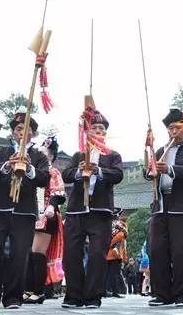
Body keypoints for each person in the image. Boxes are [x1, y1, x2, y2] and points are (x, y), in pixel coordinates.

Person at [0, 113, 50, 309]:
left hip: (24, 211)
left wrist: (29, 169)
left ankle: (13, 297)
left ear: (33, 134)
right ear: (13, 132)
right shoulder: (1, 151)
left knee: (20, 255)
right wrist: (7, 165)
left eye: (27, 130)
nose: (22, 133)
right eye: (19, 129)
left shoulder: (39, 156)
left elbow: (44, 179)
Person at [62, 110, 123, 309]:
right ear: (87, 131)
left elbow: (117, 175)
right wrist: (80, 170)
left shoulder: (112, 155)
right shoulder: (79, 154)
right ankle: (73, 295)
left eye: (102, 129)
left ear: (105, 133)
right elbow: (66, 175)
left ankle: (93, 296)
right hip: (76, 211)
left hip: (100, 211)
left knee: (97, 254)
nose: (98, 131)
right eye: (94, 128)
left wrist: (99, 170)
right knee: (71, 253)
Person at [145, 108, 183, 307]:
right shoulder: (160, 151)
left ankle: (181, 295)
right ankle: (161, 294)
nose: (173, 132)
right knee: (157, 250)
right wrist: (150, 172)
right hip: (161, 206)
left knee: (180, 252)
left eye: (177, 128)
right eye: (170, 128)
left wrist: (169, 169)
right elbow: (150, 172)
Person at [24, 137, 66, 304]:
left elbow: (59, 193)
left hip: (46, 214)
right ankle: (28, 288)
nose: (40, 156)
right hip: (31, 213)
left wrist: (51, 206)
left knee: (37, 252)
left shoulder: (52, 172)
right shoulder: (31, 171)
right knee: (28, 253)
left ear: (50, 156)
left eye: (43, 153)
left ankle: (39, 291)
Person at [105, 209, 127, 298]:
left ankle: (111, 291)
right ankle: (111, 291)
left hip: (109, 252)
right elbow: (122, 235)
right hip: (114, 253)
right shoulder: (120, 225)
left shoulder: (106, 224)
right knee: (113, 273)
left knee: (111, 273)